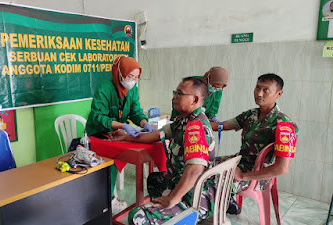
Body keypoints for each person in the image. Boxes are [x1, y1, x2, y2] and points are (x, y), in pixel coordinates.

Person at [110, 77, 216, 224]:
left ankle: (169, 214)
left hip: (194, 197)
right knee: (154, 179)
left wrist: (172, 199)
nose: (174, 97)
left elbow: (194, 170)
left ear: (194, 100)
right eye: (175, 92)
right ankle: (161, 216)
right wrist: (126, 137)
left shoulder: (195, 127)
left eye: (180, 93)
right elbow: (154, 135)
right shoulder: (183, 121)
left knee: (136, 216)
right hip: (181, 183)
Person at [210, 73, 298, 214]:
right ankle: (226, 201)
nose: (259, 93)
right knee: (203, 166)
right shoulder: (250, 115)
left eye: (265, 90)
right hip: (240, 162)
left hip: (258, 175)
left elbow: (282, 168)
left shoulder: (284, 125)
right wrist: (197, 121)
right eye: (257, 88)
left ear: (279, 94)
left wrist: (243, 176)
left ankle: (213, 213)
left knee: (209, 181)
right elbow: (221, 125)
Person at [85, 55, 154, 211]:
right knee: (104, 169)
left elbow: (135, 111)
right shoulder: (104, 89)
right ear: (119, 73)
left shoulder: (132, 90)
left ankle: (108, 199)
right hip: (97, 134)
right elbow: (98, 117)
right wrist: (123, 125)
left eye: (136, 77)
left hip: (115, 135)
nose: (133, 81)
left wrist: (144, 123)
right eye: (130, 76)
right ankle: (103, 202)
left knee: (115, 163)